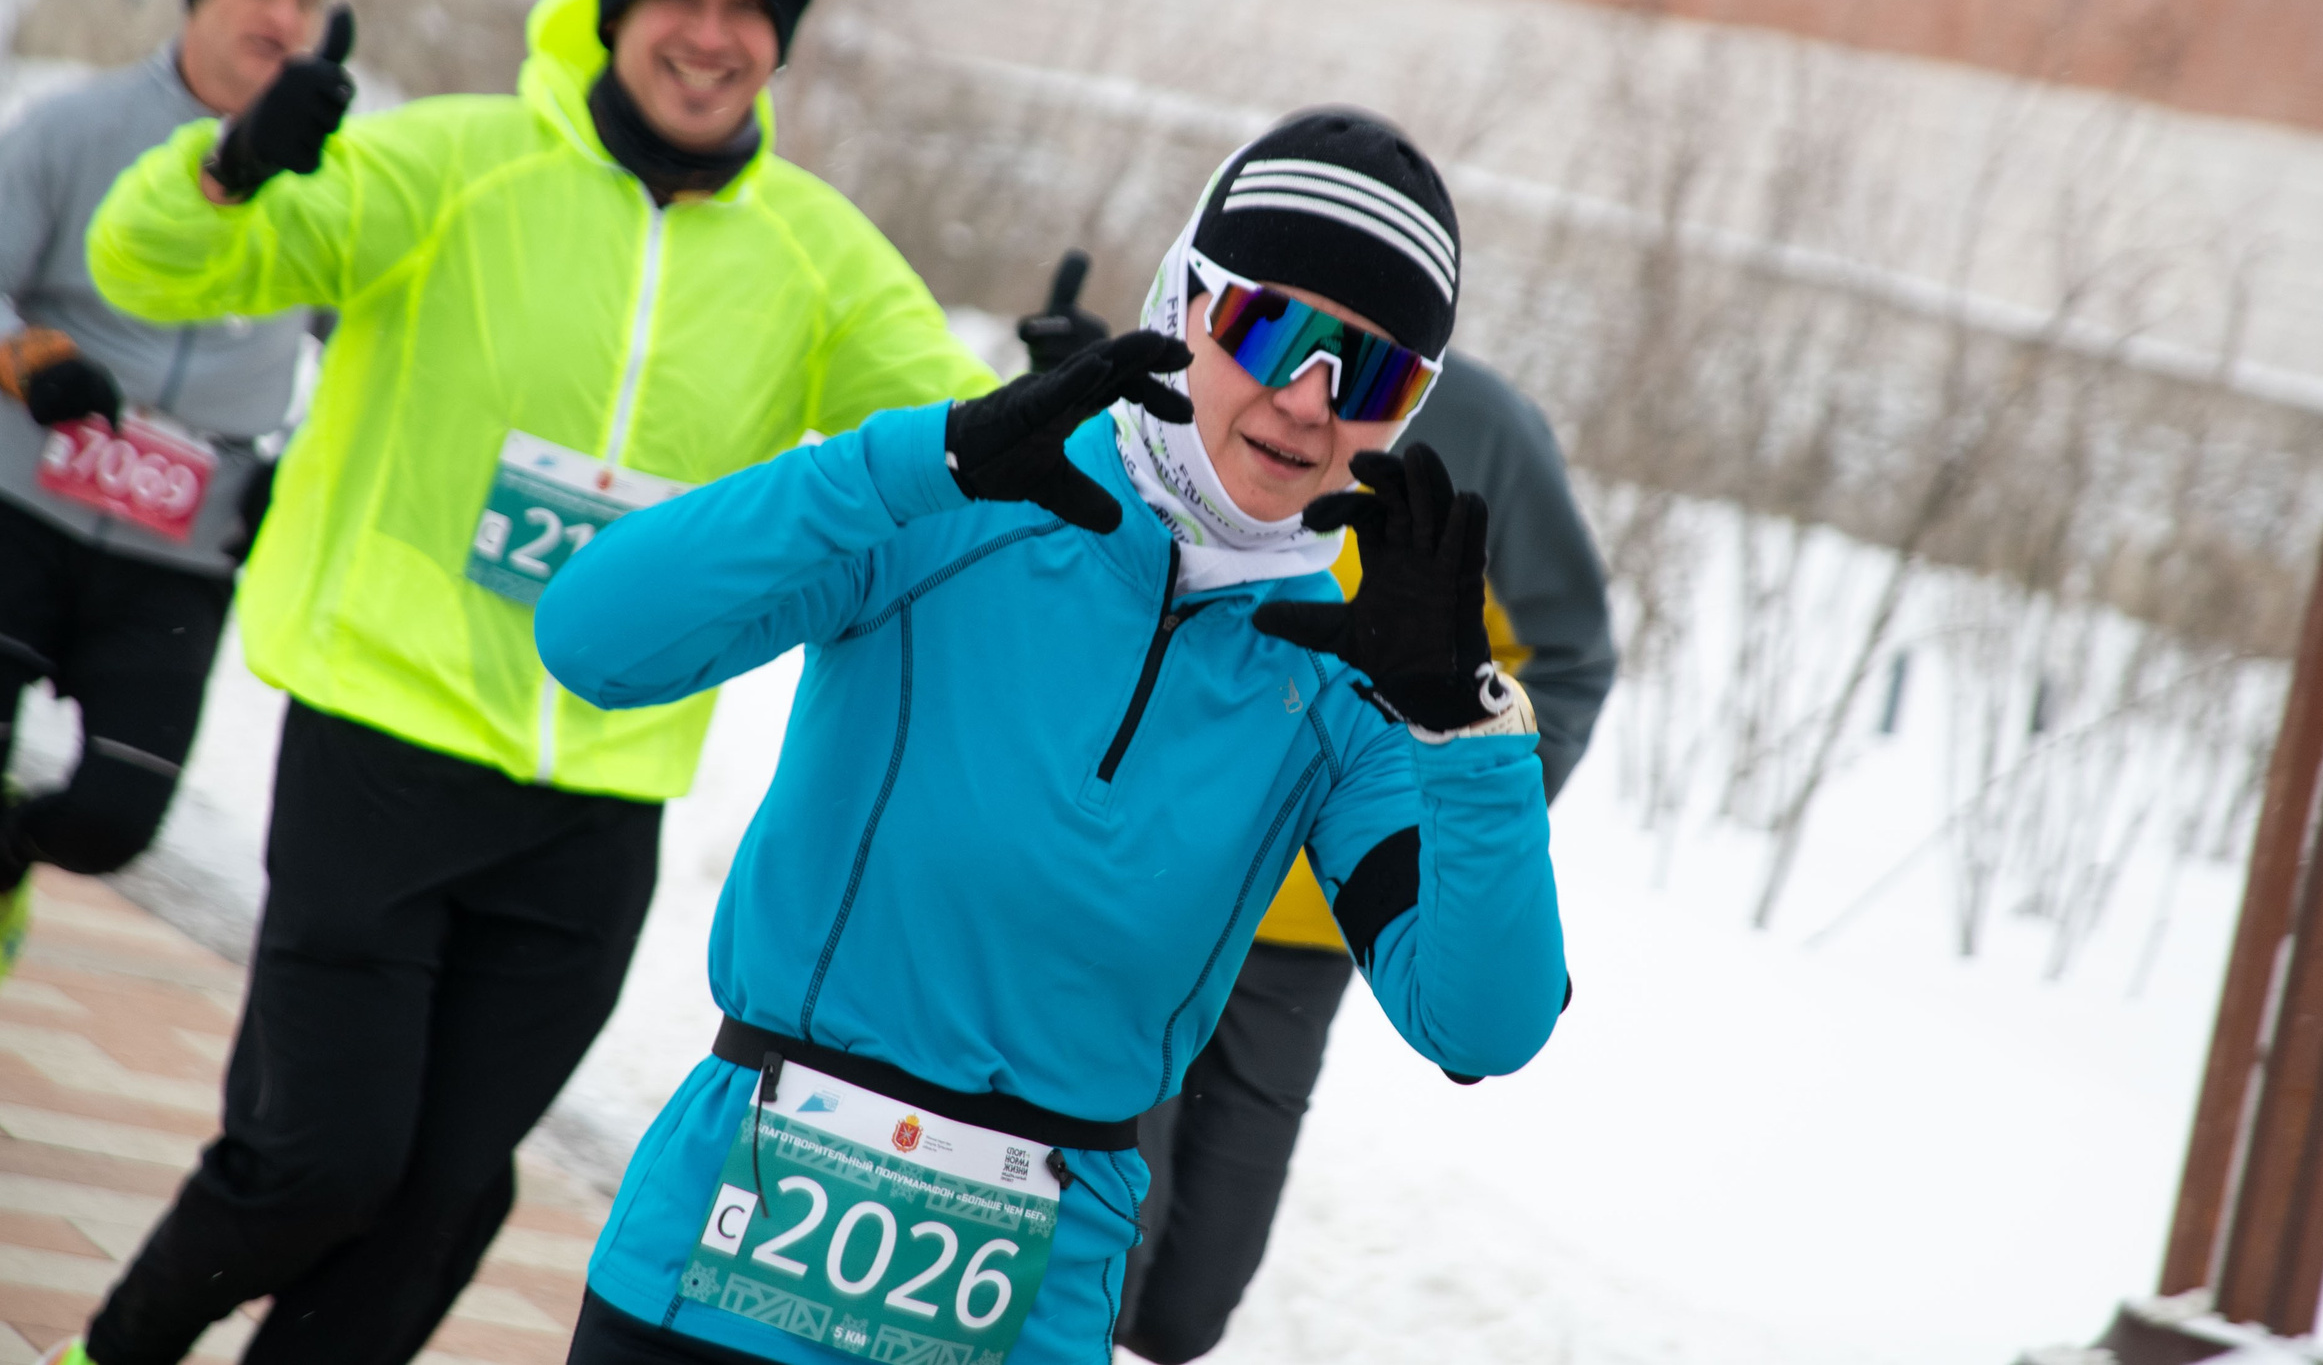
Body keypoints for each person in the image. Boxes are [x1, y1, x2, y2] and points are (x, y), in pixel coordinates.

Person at [64, 0, 995, 1365]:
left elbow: (961, 440)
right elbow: (148, 261)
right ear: (615, 9)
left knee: (441, 1203)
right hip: (384, 742)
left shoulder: (817, 254)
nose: (710, 36)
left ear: (783, 35)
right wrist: (227, 169)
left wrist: (1048, 413)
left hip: (595, 808)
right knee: (322, 1160)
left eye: (748, 8)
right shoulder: (452, 164)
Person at [534, 107, 1569, 1365]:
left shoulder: (1350, 674)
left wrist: (1464, 724)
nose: (1307, 401)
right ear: (1184, 299)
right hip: (716, 1277)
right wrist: (913, 463)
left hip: (1024, 1320)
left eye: (1372, 373)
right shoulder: (964, 491)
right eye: (1270, 328)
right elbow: (593, 638)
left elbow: (1483, 1023)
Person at [1114, 350, 1616, 1362]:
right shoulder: (1237, 356)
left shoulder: (1484, 423)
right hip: (1161, 884)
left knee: (1187, 1303)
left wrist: (1466, 840)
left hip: (1327, 917)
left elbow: (1565, 659)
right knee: (1102, 1244)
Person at [0, 0, 332, 980]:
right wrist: (30, 358)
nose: (282, 16)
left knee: (115, 818)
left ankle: (9, 857)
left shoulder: (329, 183)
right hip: (21, 500)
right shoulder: (76, 126)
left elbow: (381, 350)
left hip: (178, 555)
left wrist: (308, 468)